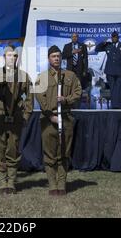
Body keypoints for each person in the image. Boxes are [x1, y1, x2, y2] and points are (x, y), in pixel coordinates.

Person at [35, 45, 81, 196]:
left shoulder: (70, 76)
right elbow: (39, 97)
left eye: (58, 56)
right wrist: (50, 115)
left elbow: (78, 92)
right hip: (49, 119)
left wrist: (66, 99)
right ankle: (52, 185)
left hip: (66, 118)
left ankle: (62, 185)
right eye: (53, 56)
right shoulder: (42, 77)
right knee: (49, 154)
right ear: (49, 59)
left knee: (64, 153)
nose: (56, 58)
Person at [0, 45, 33, 194]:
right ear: (4, 57)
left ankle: (11, 181)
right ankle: (2, 181)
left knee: (13, 148)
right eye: (9, 55)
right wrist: (11, 74)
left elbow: (29, 96)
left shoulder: (24, 75)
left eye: (15, 56)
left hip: (15, 115)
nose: (12, 58)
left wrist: (26, 115)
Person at [95, 31, 121, 109]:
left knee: (119, 89)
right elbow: (97, 49)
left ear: (118, 37)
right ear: (111, 38)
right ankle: (114, 106)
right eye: (112, 37)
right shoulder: (108, 45)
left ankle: (117, 106)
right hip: (110, 71)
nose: (114, 38)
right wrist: (103, 43)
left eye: (115, 37)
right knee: (113, 89)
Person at [62, 33, 88, 108]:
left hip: (79, 70)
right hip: (70, 70)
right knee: (69, 87)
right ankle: (70, 104)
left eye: (76, 36)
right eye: (73, 37)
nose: (74, 38)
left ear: (77, 37)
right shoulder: (67, 46)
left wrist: (85, 70)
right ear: (71, 38)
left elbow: (85, 59)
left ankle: (77, 105)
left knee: (78, 87)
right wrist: (71, 53)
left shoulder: (82, 46)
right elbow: (63, 56)